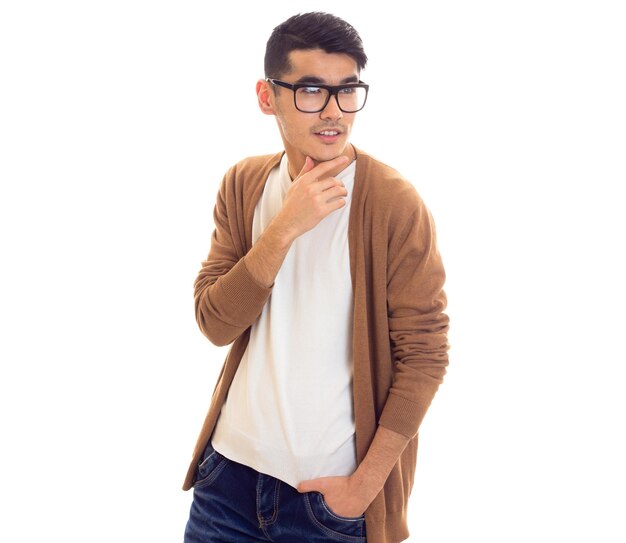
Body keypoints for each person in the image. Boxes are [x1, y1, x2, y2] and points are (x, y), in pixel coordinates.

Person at [182, 11, 449, 543]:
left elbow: (425, 355)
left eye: (347, 91)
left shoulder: (393, 204)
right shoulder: (244, 184)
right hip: (227, 484)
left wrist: (362, 489)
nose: (333, 112)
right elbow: (215, 324)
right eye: (310, 91)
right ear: (267, 96)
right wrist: (283, 230)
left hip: (328, 506)